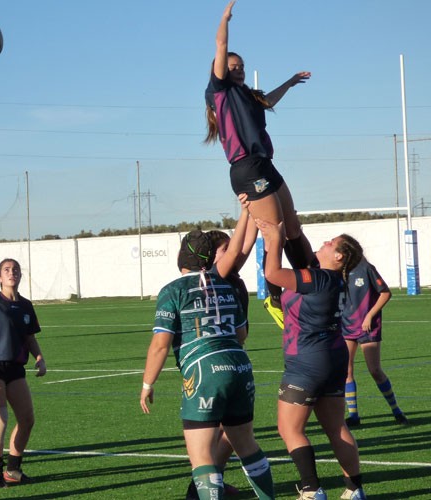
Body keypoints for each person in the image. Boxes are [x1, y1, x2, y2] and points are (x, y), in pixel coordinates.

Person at [141, 230, 275, 500]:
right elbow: (241, 335)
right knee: (246, 445)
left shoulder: (173, 291)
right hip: (240, 366)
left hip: (204, 370)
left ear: (182, 257)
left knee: (202, 455)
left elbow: (160, 345)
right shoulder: (226, 285)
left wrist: (147, 384)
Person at [205, 0, 314, 326]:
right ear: (222, 68)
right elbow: (221, 44)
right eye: (233, 65)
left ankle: (313, 280)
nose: (238, 68)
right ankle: (275, 296)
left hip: (265, 164)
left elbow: (269, 101)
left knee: (292, 225)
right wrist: (225, 18)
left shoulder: (250, 95)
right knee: (274, 232)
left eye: (241, 65)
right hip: (246, 168)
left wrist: (290, 83)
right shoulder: (220, 90)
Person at [258, 219, 366, 500]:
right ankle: (354, 490)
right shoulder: (331, 279)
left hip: (307, 361)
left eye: (332, 243)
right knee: (335, 427)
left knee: (289, 428)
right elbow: (302, 258)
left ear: (339, 256)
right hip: (332, 356)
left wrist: (275, 240)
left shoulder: (319, 279)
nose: (326, 243)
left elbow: (272, 273)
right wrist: (291, 230)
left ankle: (311, 489)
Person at [185, 197, 258, 499]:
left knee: (226, 431)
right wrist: (246, 211)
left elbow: (247, 244)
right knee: (222, 431)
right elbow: (243, 245)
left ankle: (206, 484)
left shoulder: (232, 274)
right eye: (225, 248)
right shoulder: (217, 277)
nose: (233, 251)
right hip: (214, 365)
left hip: (231, 360)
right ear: (212, 256)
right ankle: (204, 485)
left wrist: (257, 210)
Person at [0, 258, 47, 488]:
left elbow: (29, 337)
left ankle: (12, 470)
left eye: (15, 270)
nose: (11, 273)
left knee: (27, 419)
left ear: (20, 275)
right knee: (0, 421)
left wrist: (40, 358)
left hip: (16, 369)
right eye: (6, 270)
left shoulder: (25, 305)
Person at [341, 258, 408, 427]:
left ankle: (396, 411)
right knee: (346, 371)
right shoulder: (336, 269)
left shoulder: (366, 267)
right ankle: (354, 416)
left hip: (367, 326)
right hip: (346, 326)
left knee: (375, 370)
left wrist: (370, 315)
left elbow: (385, 293)